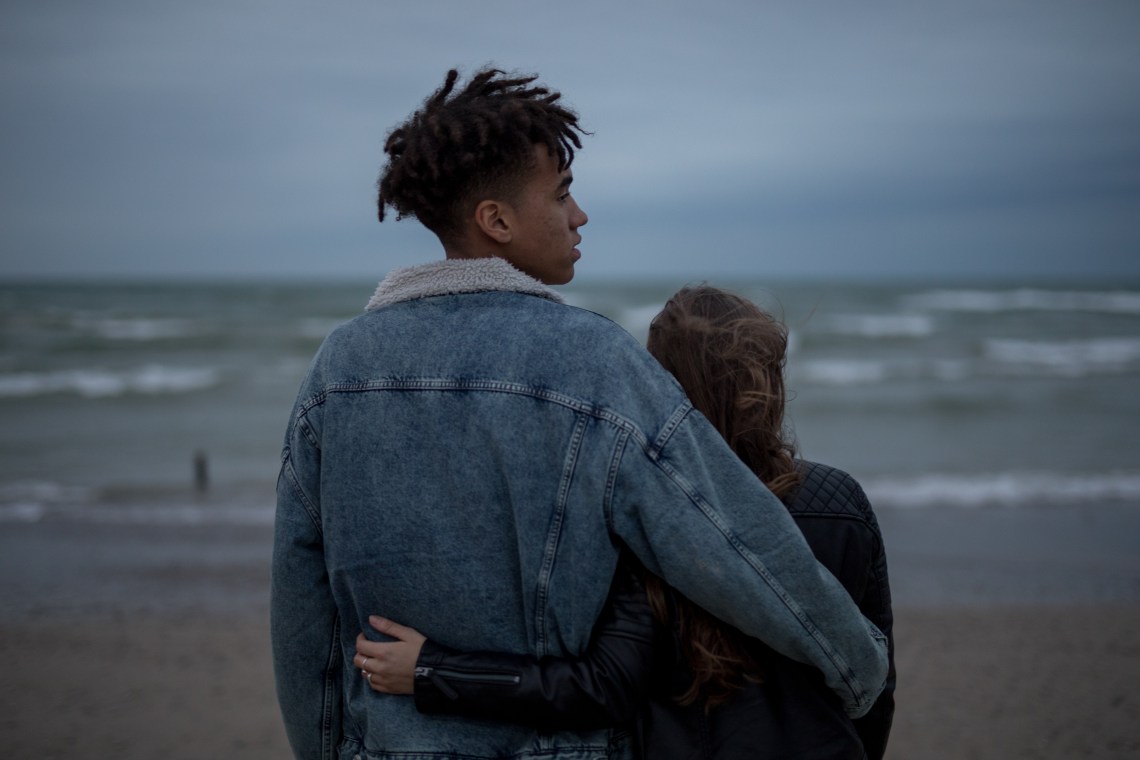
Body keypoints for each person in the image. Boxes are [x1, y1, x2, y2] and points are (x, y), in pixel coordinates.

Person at [271, 67, 888, 760]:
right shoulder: (593, 360)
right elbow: (729, 537)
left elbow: (305, 610)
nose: (580, 215)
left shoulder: (337, 370)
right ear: (496, 220)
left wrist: (326, 747)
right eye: (562, 194)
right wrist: (857, 664)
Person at [354, 286, 896, 758]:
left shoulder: (640, 504)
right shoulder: (839, 500)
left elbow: (602, 686)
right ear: (769, 380)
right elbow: (877, 681)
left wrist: (434, 670)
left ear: (661, 384)